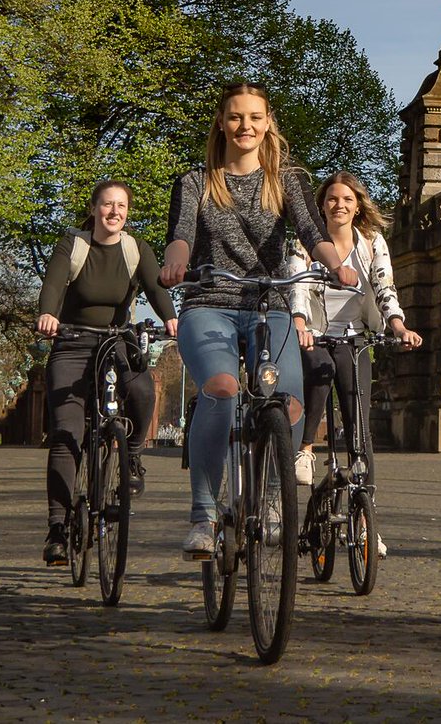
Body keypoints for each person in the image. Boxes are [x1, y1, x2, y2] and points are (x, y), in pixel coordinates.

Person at [159, 82, 359, 556]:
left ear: (267, 123)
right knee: (222, 388)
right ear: (222, 123)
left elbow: (312, 230)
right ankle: (205, 515)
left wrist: (336, 264)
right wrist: (174, 263)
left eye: (254, 117)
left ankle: (271, 497)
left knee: (288, 400)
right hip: (210, 302)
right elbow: (181, 235)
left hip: (270, 304)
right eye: (235, 117)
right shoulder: (195, 182)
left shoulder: (287, 180)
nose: (245, 126)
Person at [36, 180, 178, 566]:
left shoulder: (136, 249)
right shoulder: (74, 244)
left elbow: (155, 287)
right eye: (107, 205)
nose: (114, 212)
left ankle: (131, 455)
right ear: (95, 208)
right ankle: (57, 529)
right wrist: (48, 313)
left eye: (121, 206)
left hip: (117, 341)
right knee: (67, 434)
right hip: (73, 342)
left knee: (143, 391)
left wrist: (170, 318)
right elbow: (53, 283)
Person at [288, 170, 423, 559]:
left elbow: (384, 286)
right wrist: (298, 322)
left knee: (360, 429)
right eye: (332, 199)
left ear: (357, 205)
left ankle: (368, 522)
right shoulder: (306, 241)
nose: (339, 205)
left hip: (355, 336)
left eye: (347, 199)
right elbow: (296, 283)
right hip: (314, 331)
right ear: (322, 205)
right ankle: (306, 449)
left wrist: (398, 325)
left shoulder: (371, 242)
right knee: (321, 370)